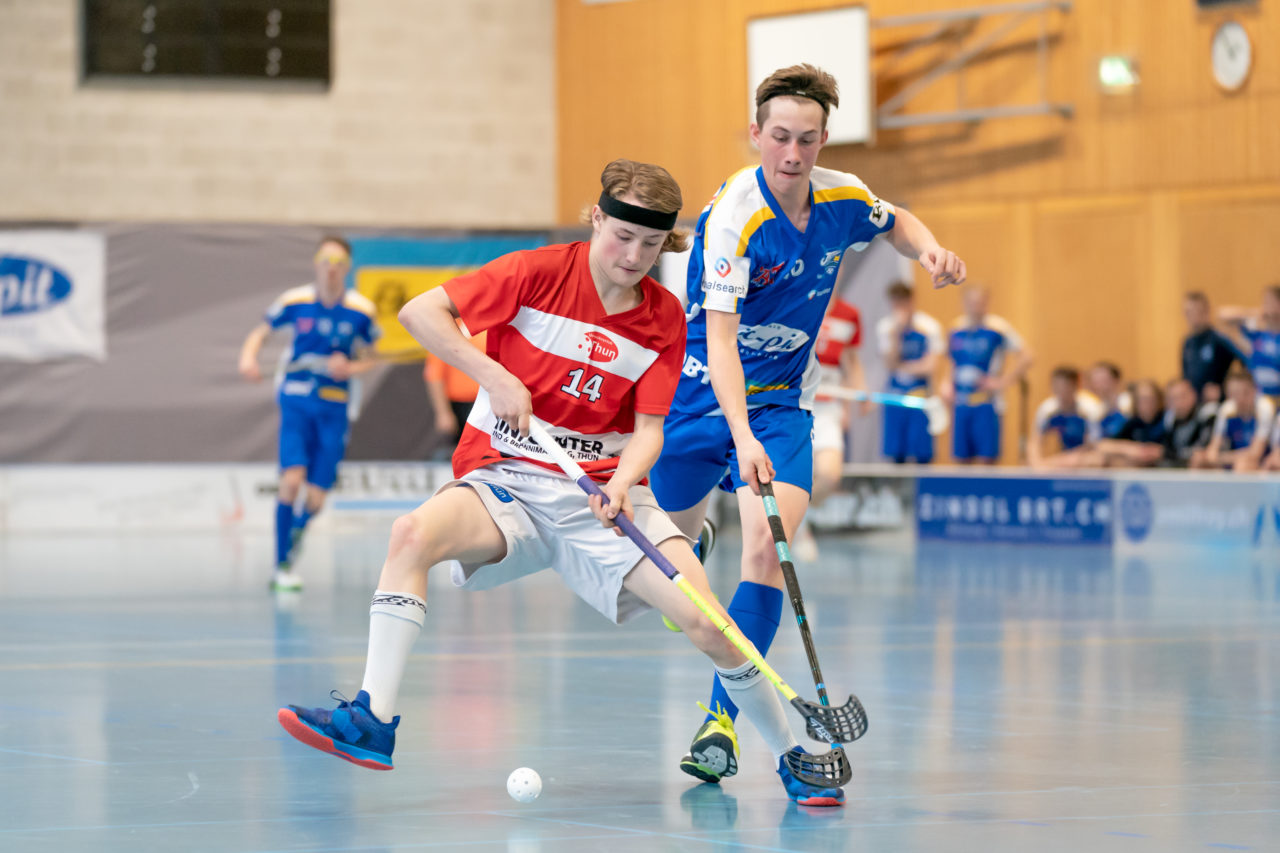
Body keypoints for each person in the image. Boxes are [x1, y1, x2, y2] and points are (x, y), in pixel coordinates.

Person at [275, 160, 848, 807]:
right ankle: (371, 719)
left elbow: (651, 429)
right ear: (596, 218)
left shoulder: (664, 318)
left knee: (709, 619)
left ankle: (793, 758)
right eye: (621, 235)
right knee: (411, 533)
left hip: (601, 494)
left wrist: (625, 480)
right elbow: (421, 312)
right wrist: (490, 373)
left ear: (667, 246)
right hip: (508, 480)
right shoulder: (535, 273)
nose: (632, 255)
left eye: (651, 244)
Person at [646, 63, 965, 786]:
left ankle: (720, 720)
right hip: (700, 394)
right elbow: (721, 341)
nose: (793, 155)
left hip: (784, 403)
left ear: (825, 140)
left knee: (768, 550)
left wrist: (932, 248)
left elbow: (897, 220)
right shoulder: (735, 219)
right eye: (781, 138)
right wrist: (740, 434)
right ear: (756, 135)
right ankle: (691, 537)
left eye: (809, 140)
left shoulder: (841, 196)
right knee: (663, 581)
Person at [238, 236, 380, 590]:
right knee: (290, 481)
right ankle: (280, 565)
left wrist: (351, 367)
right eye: (325, 260)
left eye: (339, 262)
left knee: (315, 499)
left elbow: (372, 356)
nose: (331, 268)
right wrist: (248, 358)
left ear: (347, 268)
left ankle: (294, 539)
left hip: (334, 406)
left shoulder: (362, 310)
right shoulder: (294, 301)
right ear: (317, 264)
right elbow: (261, 332)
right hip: (297, 399)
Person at [793, 295, 868, 562]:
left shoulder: (849, 314)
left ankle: (800, 520)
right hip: (795, 403)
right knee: (795, 474)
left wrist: (857, 394)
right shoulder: (801, 298)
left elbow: (852, 361)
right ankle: (796, 527)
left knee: (829, 475)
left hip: (829, 408)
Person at [940, 285, 1032, 464]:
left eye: (979, 302)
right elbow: (951, 361)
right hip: (961, 403)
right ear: (964, 303)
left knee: (986, 458)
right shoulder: (956, 328)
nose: (975, 307)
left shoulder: (997, 328)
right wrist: (946, 383)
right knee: (961, 457)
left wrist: (1002, 382)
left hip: (987, 403)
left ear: (986, 303)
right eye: (971, 302)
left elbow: (1027, 356)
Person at [877, 282, 946, 464]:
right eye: (895, 303)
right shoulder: (886, 328)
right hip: (895, 395)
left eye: (902, 302)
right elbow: (890, 364)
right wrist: (897, 335)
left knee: (922, 451)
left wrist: (904, 366)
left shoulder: (929, 327)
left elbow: (930, 367)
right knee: (895, 452)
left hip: (920, 395)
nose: (899, 307)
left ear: (911, 301)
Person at [422, 323, 486, 457]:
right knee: (465, 452)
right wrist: (443, 413)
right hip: (460, 405)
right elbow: (435, 375)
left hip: (488, 402)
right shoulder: (446, 331)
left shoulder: (489, 327)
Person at [1191, 370, 1276, 470]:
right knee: (1198, 459)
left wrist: (1221, 458)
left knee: (1243, 464)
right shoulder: (1227, 410)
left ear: (1255, 391)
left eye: (1245, 393)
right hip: (1234, 459)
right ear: (1228, 394)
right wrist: (1213, 457)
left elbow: (1255, 453)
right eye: (1234, 393)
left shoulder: (1264, 408)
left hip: (1262, 463)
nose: (1240, 398)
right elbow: (1213, 450)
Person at [1026, 366, 1104, 470]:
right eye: (1056, 386)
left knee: (1095, 460)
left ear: (1075, 386)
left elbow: (1093, 445)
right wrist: (1036, 464)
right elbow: (1034, 441)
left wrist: (1065, 460)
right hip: (1060, 460)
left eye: (1065, 386)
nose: (1060, 391)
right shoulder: (1047, 410)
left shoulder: (1089, 409)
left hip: (1083, 457)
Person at [1219, 285, 1280, 408]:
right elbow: (1223, 315)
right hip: (1258, 401)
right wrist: (1258, 313)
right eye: (1266, 302)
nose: (1268, 306)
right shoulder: (1257, 334)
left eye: (1272, 302)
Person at [1180, 291, 1242, 403]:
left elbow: (1244, 364)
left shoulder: (1219, 340)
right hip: (1195, 405)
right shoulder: (1187, 343)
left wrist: (1224, 390)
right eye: (1188, 312)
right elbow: (1185, 377)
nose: (1193, 317)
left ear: (1206, 312)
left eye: (1197, 312)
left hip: (1217, 404)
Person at [1090, 379, 1167, 467]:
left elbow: (1173, 450)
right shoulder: (1133, 423)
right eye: (1142, 399)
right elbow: (1102, 445)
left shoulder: (1166, 421)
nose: (1147, 404)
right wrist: (1131, 448)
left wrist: (1158, 451)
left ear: (1159, 400)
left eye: (1151, 399)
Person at [1159, 378, 1212, 468]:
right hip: (1178, 462)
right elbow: (1166, 448)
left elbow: (1202, 448)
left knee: (1199, 458)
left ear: (1193, 395)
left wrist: (1171, 453)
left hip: (1203, 465)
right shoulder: (1169, 419)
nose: (1179, 403)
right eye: (1174, 399)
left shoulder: (1207, 414)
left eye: (1183, 396)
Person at [1086, 361, 1130, 439]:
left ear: (1116, 380)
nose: (1100, 386)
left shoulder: (1130, 403)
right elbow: (1095, 441)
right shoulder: (1094, 413)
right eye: (1096, 382)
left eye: (1104, 380)